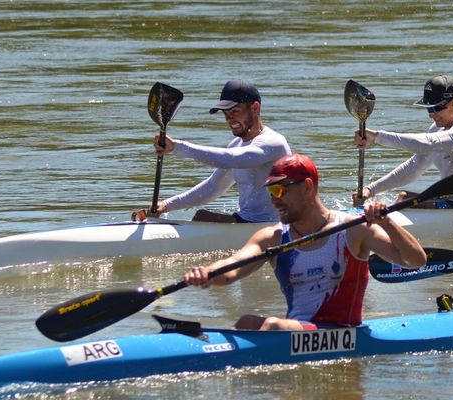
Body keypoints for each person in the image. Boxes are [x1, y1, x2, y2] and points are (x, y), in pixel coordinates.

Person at [184, 154, 427, 330]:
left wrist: (387, 223)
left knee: (273, 327)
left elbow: (415, 261)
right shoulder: (273, 238)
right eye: (270, 192)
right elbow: (233, 267)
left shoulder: (355, 230)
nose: (274, 201)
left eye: (279, 190)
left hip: (342, 332)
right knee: (247, 322)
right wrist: (206, 273)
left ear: (307, 187)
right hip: (297, 330)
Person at [137, 79, 291, 223]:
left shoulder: (273, 143)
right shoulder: (236, 144)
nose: (229, 119)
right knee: (202, 216)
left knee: (201, 216)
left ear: (255, 108)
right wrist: (166, 205)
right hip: (245, 222)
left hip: (272, 226)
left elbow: (233, 159)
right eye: (226, 114)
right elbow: (212, 188)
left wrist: (177, 147)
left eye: (235, 111)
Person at [353, 74, 453, 208]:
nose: (431, 114)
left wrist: (377, 137)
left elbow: (428, 143)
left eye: (436, 107)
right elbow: (413, 168)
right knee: (402, 198)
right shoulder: (436, 129)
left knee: (404, 198)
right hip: (448, 202)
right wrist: (370, 190)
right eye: (429, 109)